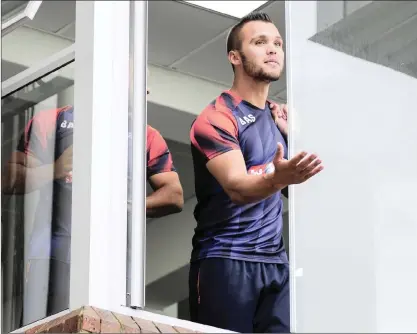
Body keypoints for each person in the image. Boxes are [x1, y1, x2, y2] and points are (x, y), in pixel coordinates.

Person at [188, 12, 324, 333]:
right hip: (225, 262)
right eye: (260, 42)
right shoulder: (217, 118)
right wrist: (278, 178)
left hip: (276, 263)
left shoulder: (282, 119)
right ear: (235, 57)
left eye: (277, 43)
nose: (273, 50)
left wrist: (296, 137)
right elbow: (237, 188)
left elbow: (302, 189)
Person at [2, 104, 184, 325]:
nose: (144, 91)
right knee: (51, 327)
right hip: (53, 253)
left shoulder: (145, 134)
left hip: (113, 259)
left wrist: (123, 207)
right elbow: (9, 178)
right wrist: (56, 169)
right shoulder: (54, 119)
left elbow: (174, 195)